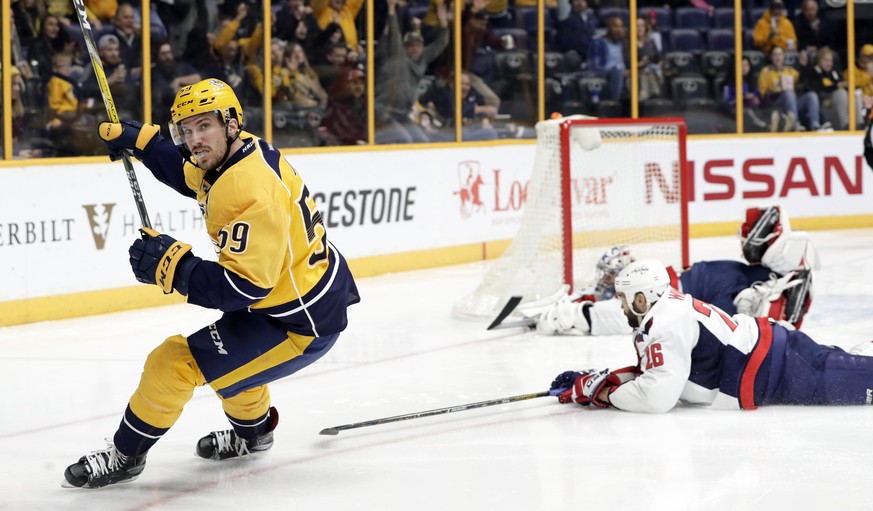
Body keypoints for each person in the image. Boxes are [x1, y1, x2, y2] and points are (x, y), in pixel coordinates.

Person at [62, 78, 360, 489]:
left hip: (299, 323)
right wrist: (146, 142)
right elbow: (192, 173)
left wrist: (174, 267)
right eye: (185, 130)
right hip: (292, 296)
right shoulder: (240, 153)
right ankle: (255, 436)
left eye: (204, 126)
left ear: (231, 123)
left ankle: (125, 456)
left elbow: (241, 289)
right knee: (230, 364)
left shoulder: (249, 188)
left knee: (174, 364)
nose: (194, 139)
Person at [549, 257, 873, 413]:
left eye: (622, 298)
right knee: (845, 365)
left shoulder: (665, 324)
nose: (620, 306)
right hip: (777, 358)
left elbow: (658, 398)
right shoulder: (665, 308)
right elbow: (676, 379)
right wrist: (610, 380)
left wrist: (604, 394)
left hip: (784, 367)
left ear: (640, 297)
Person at [532, 205, 818, 337]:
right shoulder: (743, 280)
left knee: (629, 307)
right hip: (671, 287)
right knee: (630, 312)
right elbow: (729, 326)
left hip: (673, 283)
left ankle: (574, 309)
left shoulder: (743, 275)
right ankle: (569, 313)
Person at [374, 0, 449, 144]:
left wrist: (444, 23)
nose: (414, 49)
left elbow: (441, 43)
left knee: (422, 140)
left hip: (402, 113)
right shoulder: (398, 55)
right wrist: (391, 11)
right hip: (383, 111)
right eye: (410, 46)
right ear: (404, 47)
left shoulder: (422, 59)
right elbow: (395, 35)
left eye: (418, 45)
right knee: (405, 140)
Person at [758, 45, 822, 132]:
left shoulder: (789, 70)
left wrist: (803, 66)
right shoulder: (766, 72)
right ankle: (795, 125)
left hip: (792, 103)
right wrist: (778, 91)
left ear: (783, 56)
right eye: (775, 55)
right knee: (789, 94)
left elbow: (802, 80)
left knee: (811, 95)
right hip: (776, 104)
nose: (778, 57)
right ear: (771, 57)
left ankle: (815, 124)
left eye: (780, 54)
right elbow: (763, 94)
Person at [799, 47, 843, 131]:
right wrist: (835, 86)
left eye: (831, 61)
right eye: (826, 60)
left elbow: (838, 83)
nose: (829, 63)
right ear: (819, 60)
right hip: (821, 100)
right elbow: (816, 88)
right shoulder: (813, 72)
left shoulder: (833, 73)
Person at [587, 16, 628, 102]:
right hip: (606, 72)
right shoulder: (599, 43)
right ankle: (615, 102)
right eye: (615, 26)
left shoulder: (622, 43)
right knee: (618, 69)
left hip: (622, 73)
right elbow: (594, 66)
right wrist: (615, 70)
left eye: (621, 27)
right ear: (609, 28)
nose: (619, 30)